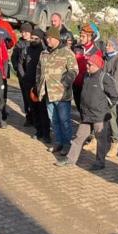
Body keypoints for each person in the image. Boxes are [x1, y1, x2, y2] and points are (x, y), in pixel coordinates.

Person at [57, 52, 118, 170]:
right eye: (87, 64)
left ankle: (100, 162)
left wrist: (105, 108)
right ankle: (70, 159)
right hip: (87, 115)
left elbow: (114, 96)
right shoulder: (86, 76)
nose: (87, 66)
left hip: (100, 116)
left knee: (101, 140)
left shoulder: (104, 78)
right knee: (78, 137)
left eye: (90, 65)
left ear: (97, 66)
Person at [37, 27, 77, 155]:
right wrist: (38, 85)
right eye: (46, 38)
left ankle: (67, 145)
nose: (47, 40)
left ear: (56, 38)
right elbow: (39, 70)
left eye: (49, 38)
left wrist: (64, 83)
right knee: (53, 120)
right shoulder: (44, 53)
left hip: (61, 94)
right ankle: (58, 143)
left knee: (64, 121)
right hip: (48, 93)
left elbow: (74, 70)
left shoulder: (66, 52)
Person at [11, 22, 43, 128]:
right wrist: (18, 70)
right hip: (23, 76)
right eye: (22, 32)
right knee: (26, 98)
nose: (24, 34)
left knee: (36, 99)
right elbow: (15, 59)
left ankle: (37, 119)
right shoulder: (19, 43)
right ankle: (29, 118)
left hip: (34, 75)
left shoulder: (35, 43)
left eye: (26, 32)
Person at [72, 25, 100, 112]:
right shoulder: (76, 48)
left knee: (87, 110)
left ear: (90, 37)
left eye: (83, 36)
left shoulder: (96, 51)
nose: (80, 38)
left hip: (88, 86)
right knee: (79, 108)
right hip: (76, 84)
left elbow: (98, 70)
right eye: (80, 35)